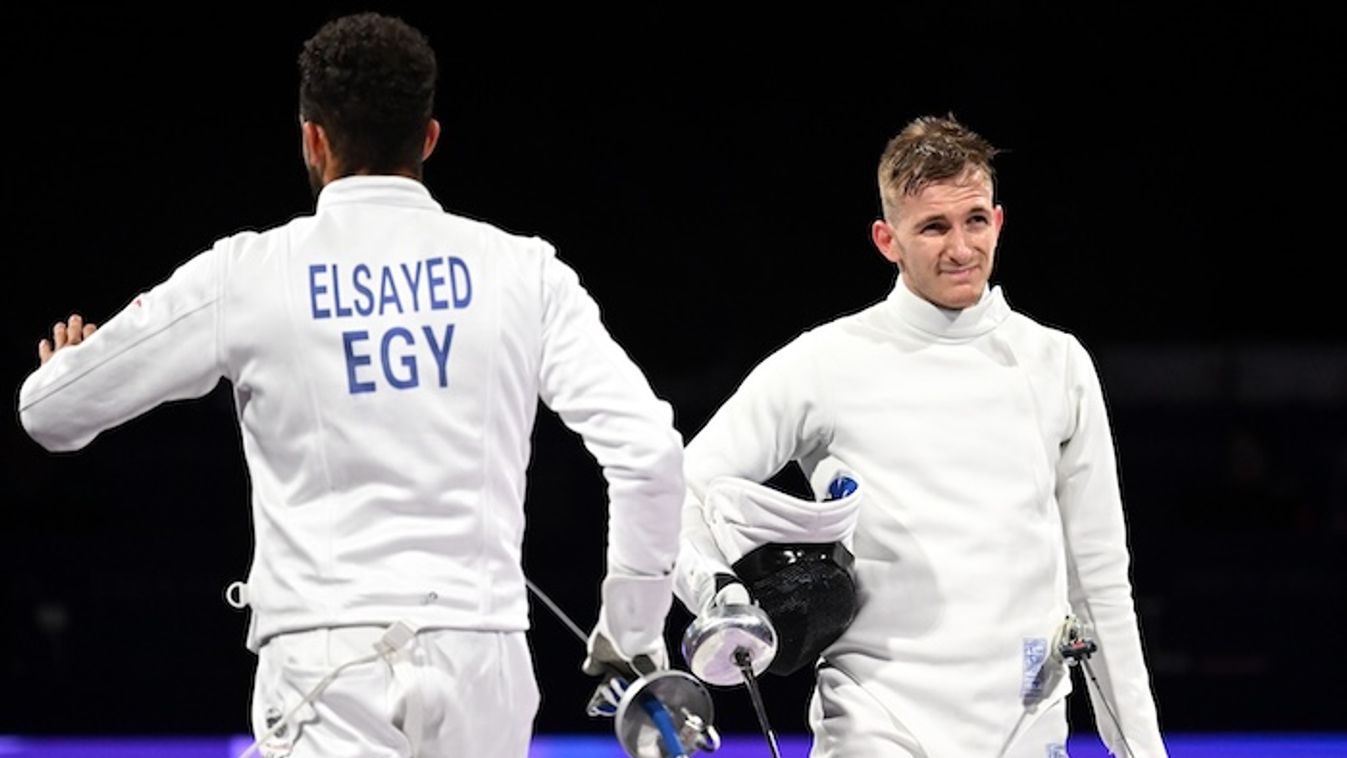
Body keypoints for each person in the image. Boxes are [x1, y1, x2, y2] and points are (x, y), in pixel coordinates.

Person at [17, 13, 683, 758]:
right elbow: (649, 452)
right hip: (484, 670)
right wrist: (630, 636)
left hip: (325, 669)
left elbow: (50, 414)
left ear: (312, 139)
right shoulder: (524, 270)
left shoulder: (248, 273)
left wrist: (67, 369)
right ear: (428, 138)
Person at [674, 115, 1168, 757]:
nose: (960, 248)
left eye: (975, 221)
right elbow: (675, 491)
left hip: (1026, 724)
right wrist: (719, 591)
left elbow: (1099, 581)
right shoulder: (826, 363)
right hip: (876, 726)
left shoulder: (1058, 364)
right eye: (934, 227)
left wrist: (1141, 749)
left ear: (999, 221)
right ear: (888, 239)